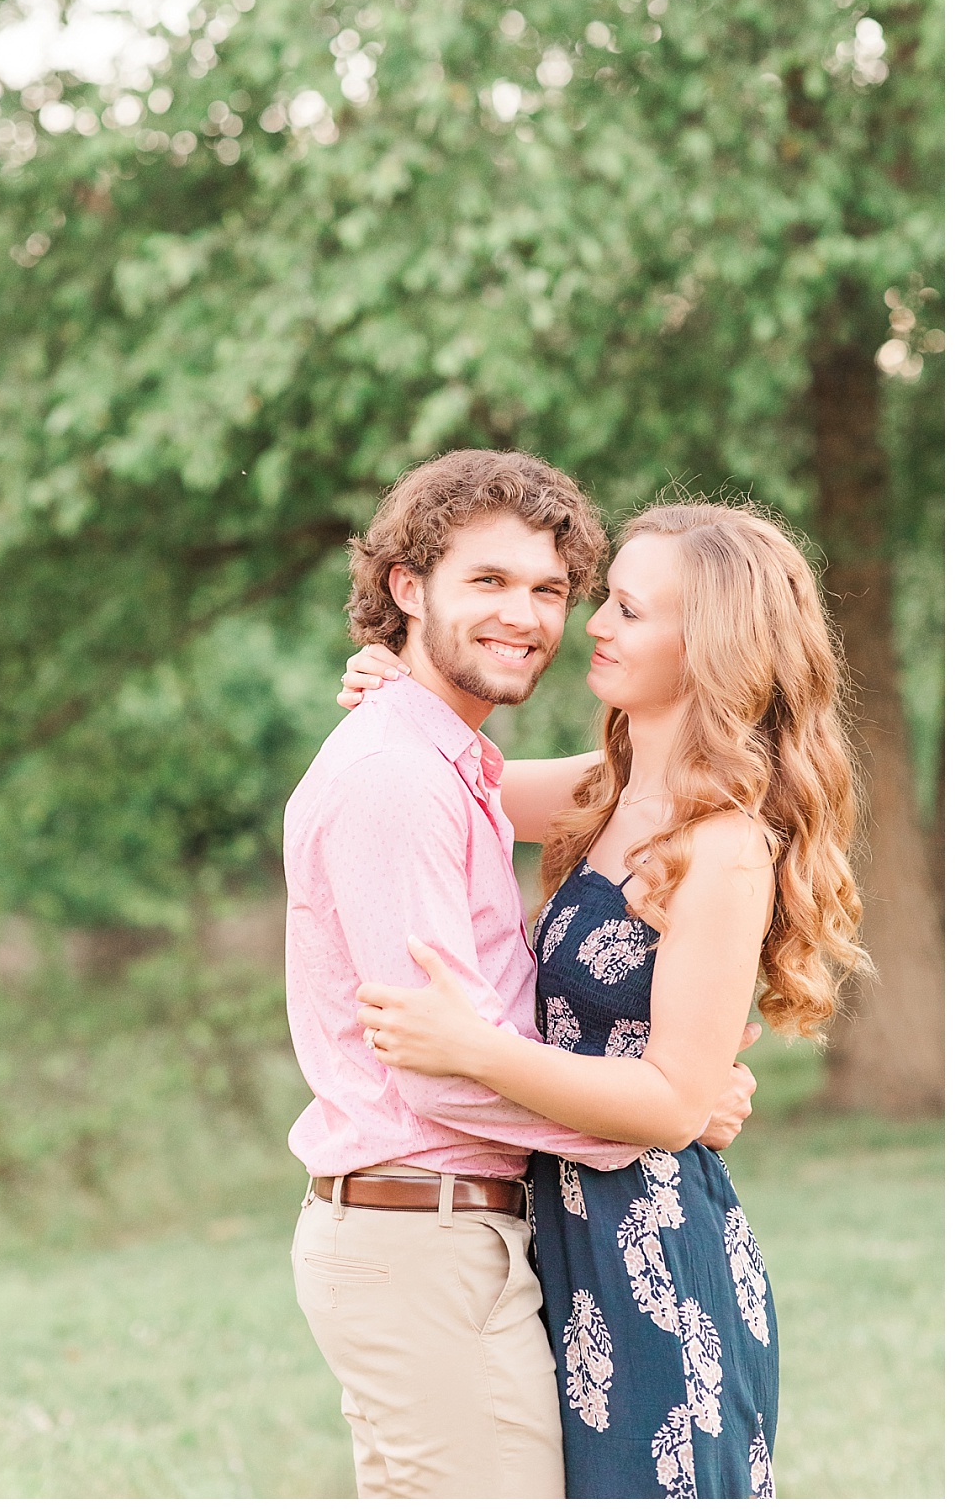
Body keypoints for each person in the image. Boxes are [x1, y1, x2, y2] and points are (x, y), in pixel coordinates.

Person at [343, 500, 867, 1498]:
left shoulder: (719, 846)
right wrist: (394, 688)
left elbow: (672, 1103)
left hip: (649, 1258)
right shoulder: (605, 789)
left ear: (707, 646)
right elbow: (441, 782)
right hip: (556, 1231)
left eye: (625, 608)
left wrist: (471, 1047)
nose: (590, 623)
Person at [285, 451, 759, 1499]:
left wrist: (668, 1093)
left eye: (555, 590)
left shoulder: (466, 770)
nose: (550, 619)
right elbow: (438, 1069)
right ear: (407, 589)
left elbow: (621, 795)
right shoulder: (407, 775)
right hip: (428, 1231)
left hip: (519, 1231)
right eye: (488, 583)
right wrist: (655, 1112)